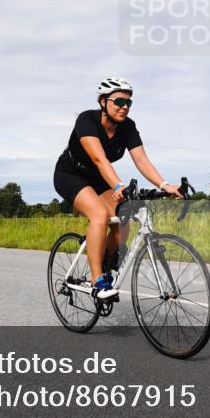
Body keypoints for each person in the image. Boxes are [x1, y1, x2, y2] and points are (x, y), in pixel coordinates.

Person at [53, 77, 182, 300]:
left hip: (98, 177)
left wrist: (164, 185)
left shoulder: (127, 127)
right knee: (100, 215)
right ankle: (98, 281)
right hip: (71, 175)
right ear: (103, 102)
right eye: (119, 102)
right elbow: (99, 158)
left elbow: (141, 160)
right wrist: (118, 185)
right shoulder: (87, 120)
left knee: (123, 217)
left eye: (129, 103)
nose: (124, 107)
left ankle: (108, 260)